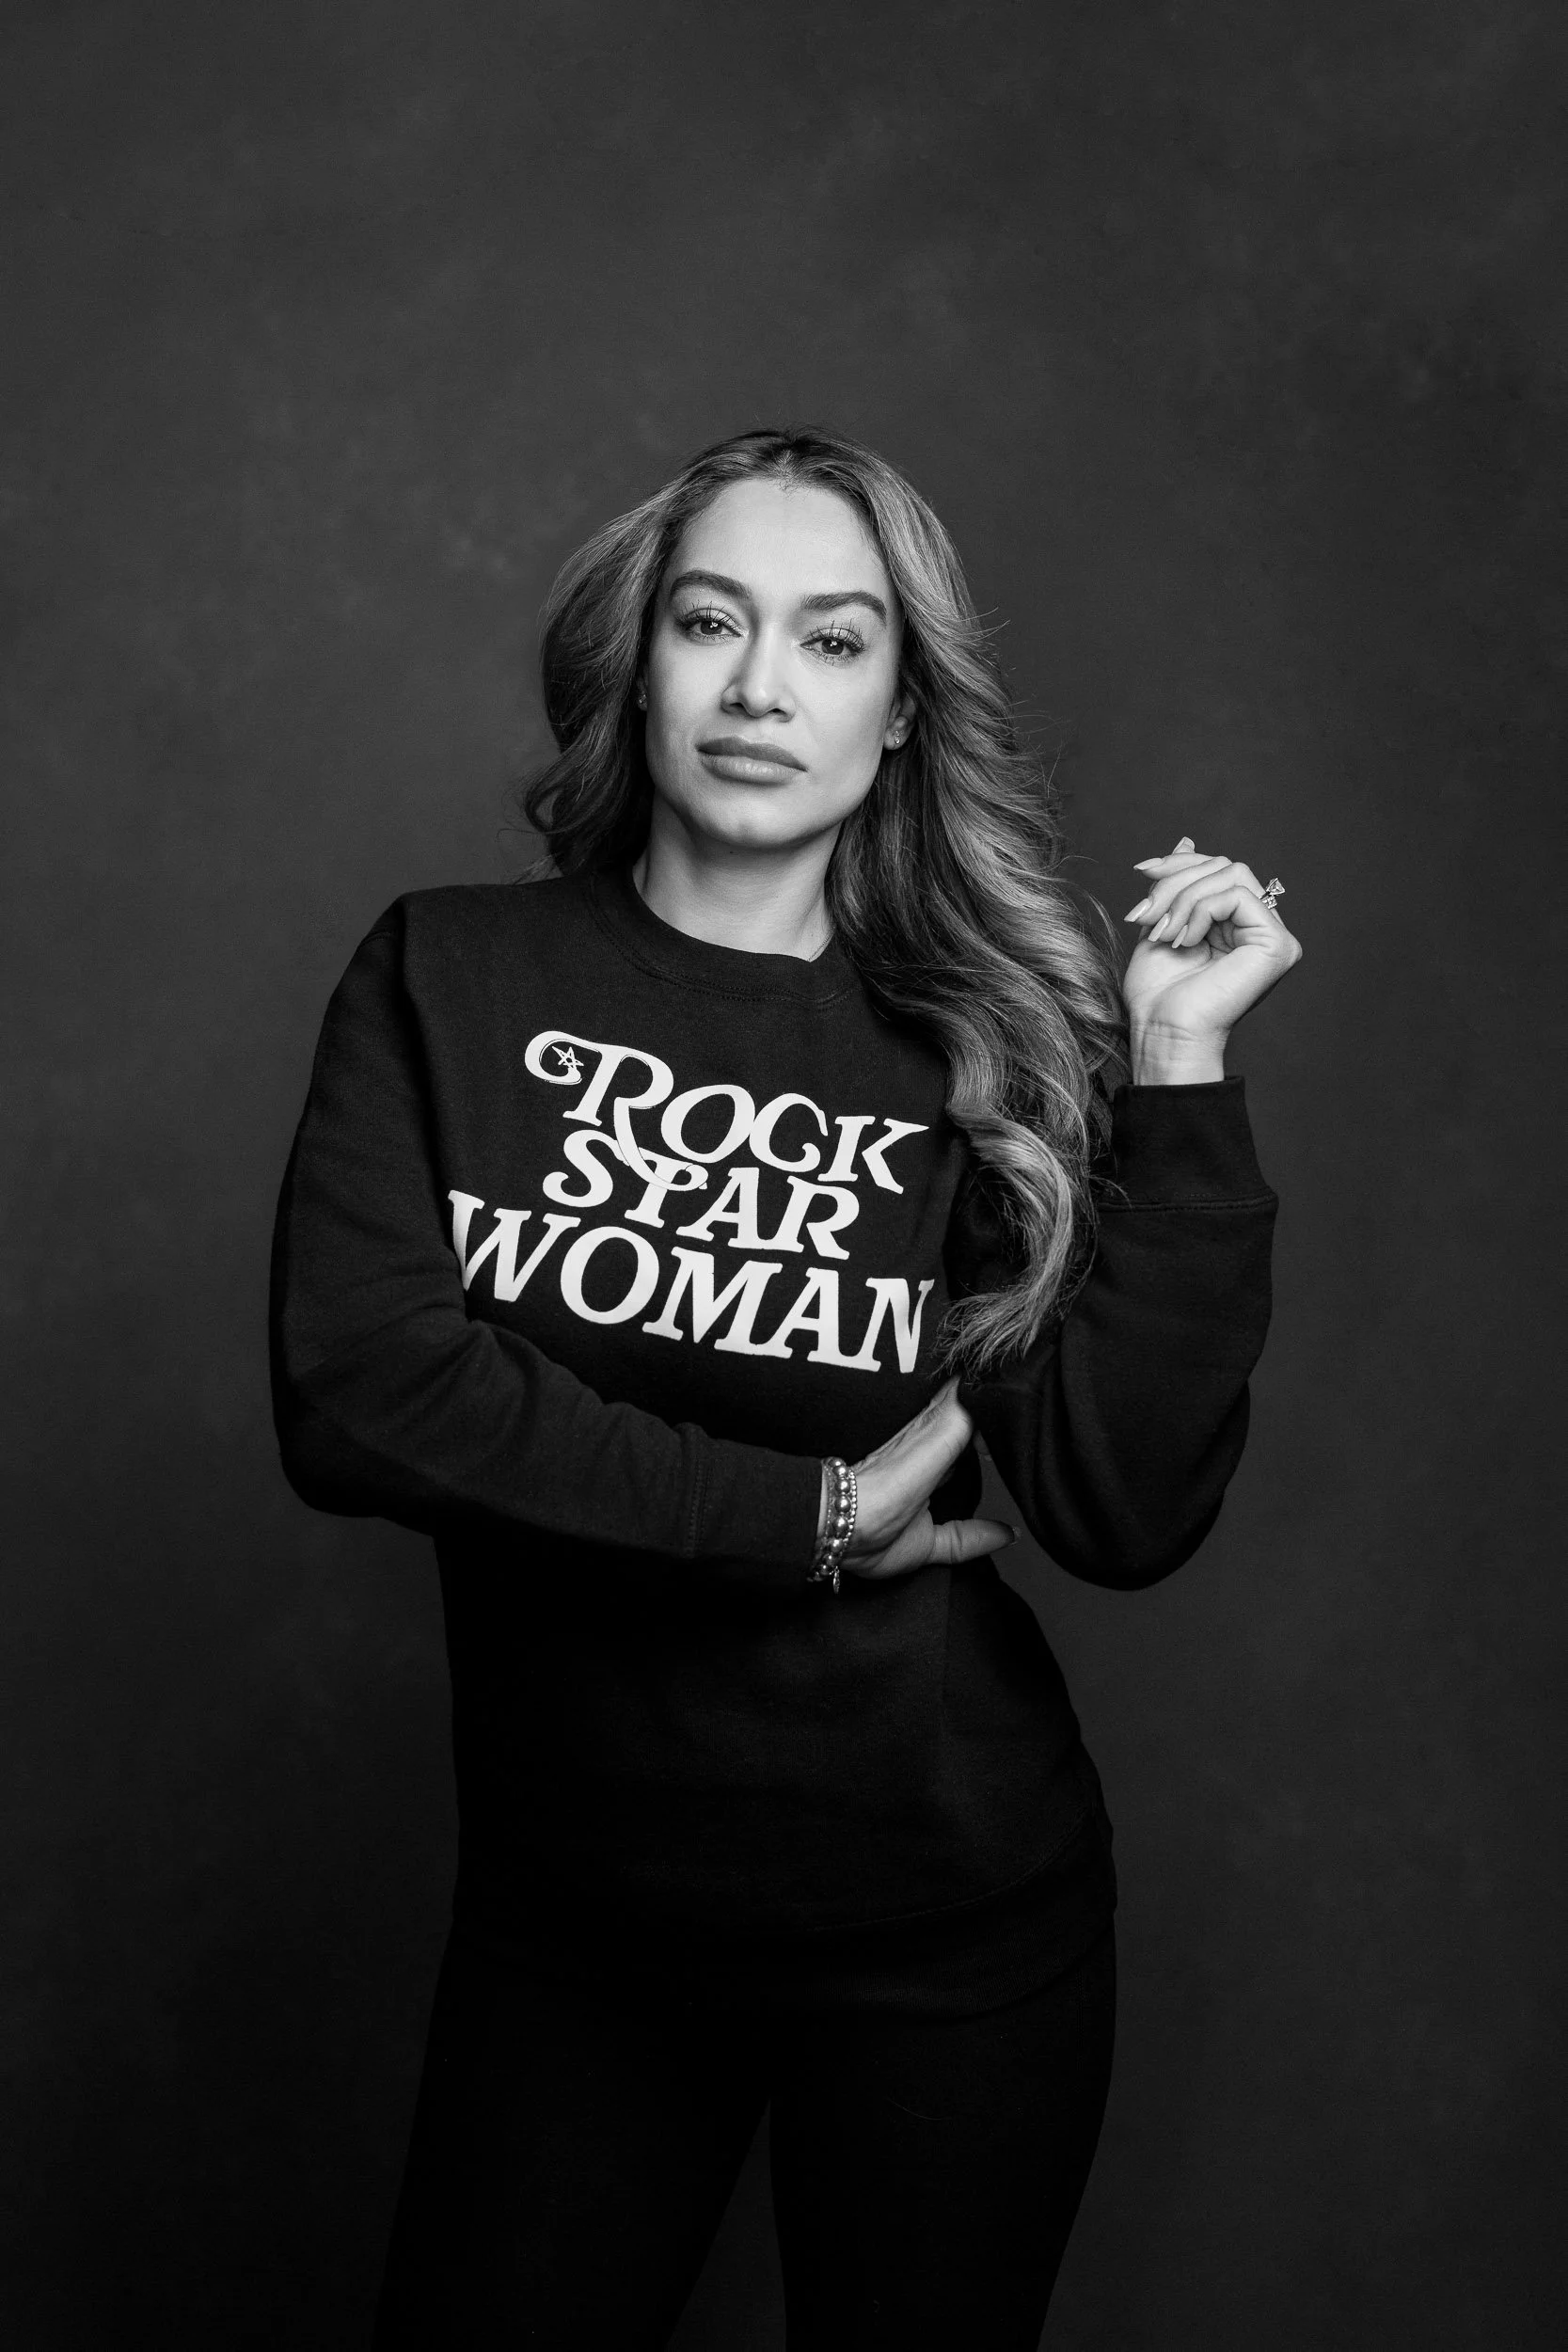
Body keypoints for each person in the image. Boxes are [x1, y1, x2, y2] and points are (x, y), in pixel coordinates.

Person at [269, 425, 1299, 2349]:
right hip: (574, 1925)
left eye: (831, 642)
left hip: (952, 1928)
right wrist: (798, 1519)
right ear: (632, 658)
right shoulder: (449, 973)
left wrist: (1172, 1069)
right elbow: (359, 1386)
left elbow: (1122, 1502)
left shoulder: (985, 1039)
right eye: (708, 621)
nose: (758, 689)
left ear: (902, 709)